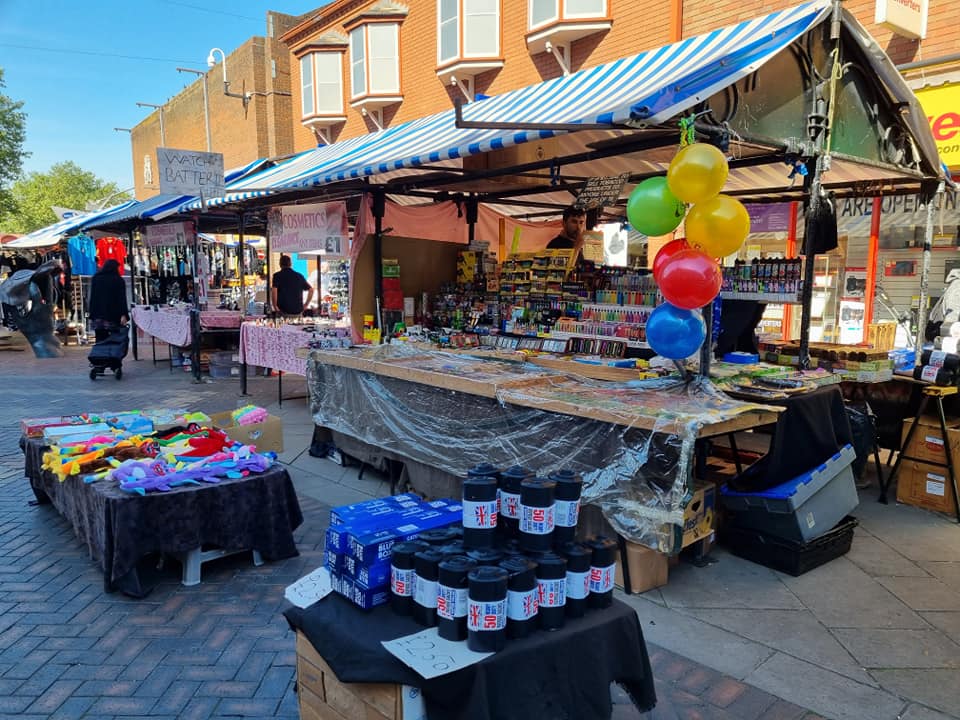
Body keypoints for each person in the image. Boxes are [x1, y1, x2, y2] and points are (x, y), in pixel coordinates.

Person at [88, 259, 128, 342]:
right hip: (113, 316)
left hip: (98, 316)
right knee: (114, 341)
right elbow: (121, 299)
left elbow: (92, 297)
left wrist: (91, 314)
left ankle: (100, 354)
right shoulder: (118, 280)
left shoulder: (96, 278)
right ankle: (110, 354)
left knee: (100, 340)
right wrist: (124, 314)